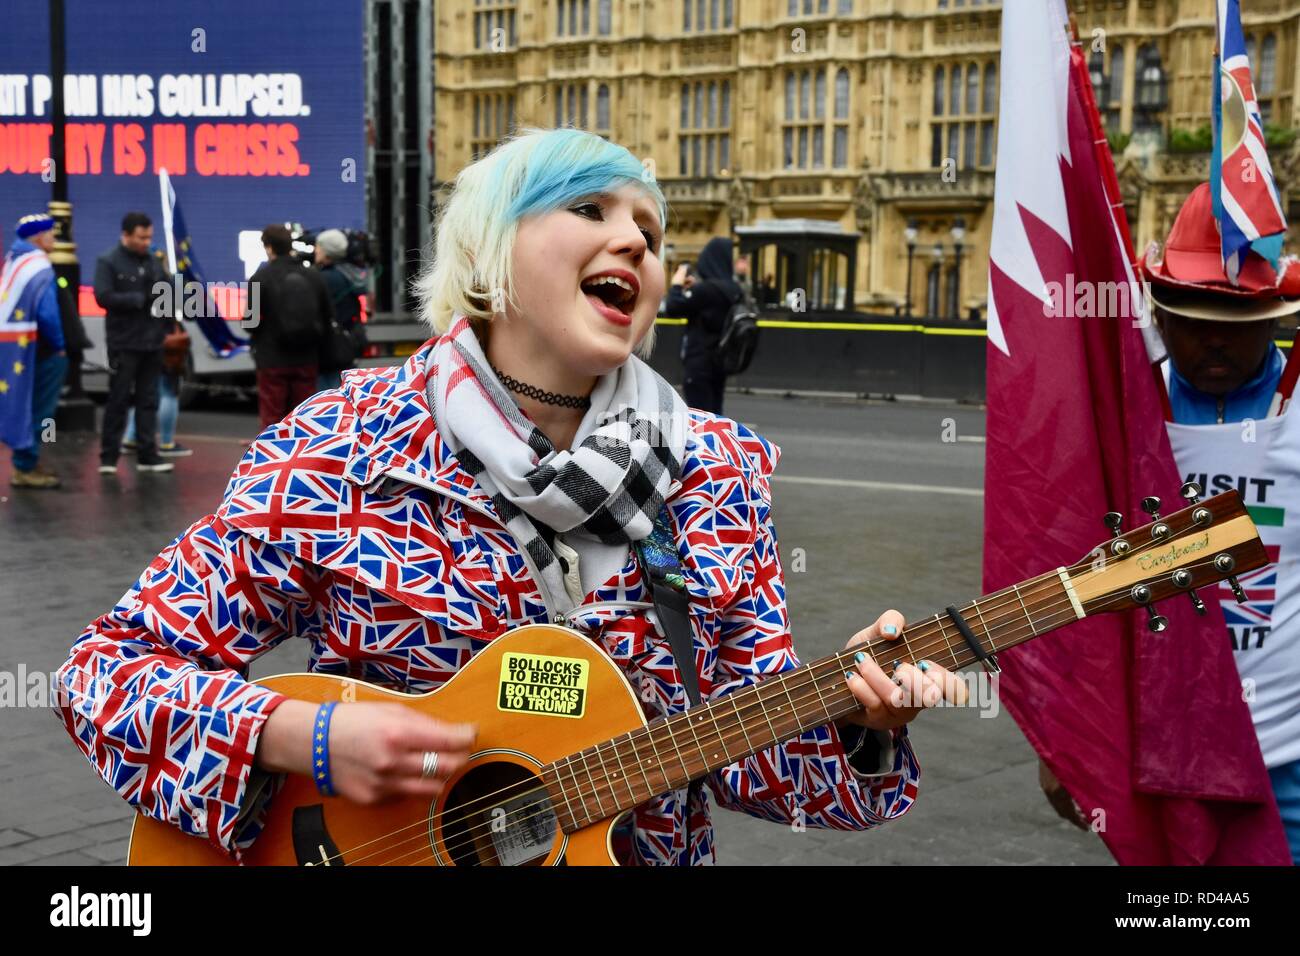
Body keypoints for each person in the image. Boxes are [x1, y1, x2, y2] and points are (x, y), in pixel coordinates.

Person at [54, 127, 966, 866]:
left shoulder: (715, 473)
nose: (637, 242)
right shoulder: (343, 446)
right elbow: (105, 673)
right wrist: (306, 735)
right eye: (589, 209)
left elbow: (745, 758)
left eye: (651, 231)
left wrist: (856, 722)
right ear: (492, 250)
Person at [1038, 183, 1300, 864]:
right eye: (1193, 314)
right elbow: (1078, 575)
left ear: (1276, 313)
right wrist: (1065, 733)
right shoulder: (1121, 408)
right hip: (1156, 755)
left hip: (1289, 765)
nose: (1214, 337)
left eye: (1235, 316)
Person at [94, 211, 173, 474]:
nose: (146, 242)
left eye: (149, 237)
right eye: (141, 237)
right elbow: (103, 296)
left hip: (152, 342)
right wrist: (138, 298)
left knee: (148, 400)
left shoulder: (153, 260)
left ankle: (147, 455)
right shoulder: (109, 261)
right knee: (118, 400)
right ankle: (108, 457)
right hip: (124, 343)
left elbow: (166, 293)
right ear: (126, 235)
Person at [1, 214, 67, 489]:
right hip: (41, 351)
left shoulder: (15, 260)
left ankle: (25, 461)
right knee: (41, 409)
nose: (54, 239)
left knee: (23, 402)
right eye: (51, 234)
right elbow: (48, 314)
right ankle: (25, 466)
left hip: (19, 348)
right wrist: (60, 346)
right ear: (39, 238)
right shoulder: (39, 265)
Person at [248, 224, 332, 429]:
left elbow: (250, 322)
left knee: (273, 421)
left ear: (269, 248)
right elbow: (328, 316)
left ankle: (272, 460)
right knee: (304, 420)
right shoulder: (313, 276)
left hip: (271, 360)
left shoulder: (260, 278)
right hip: (306, 358)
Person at [664, 236, 739, 415]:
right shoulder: (733, 289)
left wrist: (676, 284)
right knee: (715, 415)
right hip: (720, 362)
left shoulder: (706, 291)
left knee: (700, 417)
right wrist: (696, 289)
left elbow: (673, 308)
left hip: (700, 363)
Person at [313, 228, 367, 391]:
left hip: (328, 349)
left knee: (325, 398)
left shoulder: (324, 278)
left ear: (327, 252)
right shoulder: (351, 274)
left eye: (319, 246)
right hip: (347, 344)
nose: (315, 250)